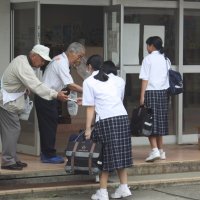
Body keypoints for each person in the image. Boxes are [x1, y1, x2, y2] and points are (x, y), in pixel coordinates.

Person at [0, 44, 68, 170]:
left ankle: (12, 158)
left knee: (13, 131)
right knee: (12, 131)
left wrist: (24, 88)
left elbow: (18, 81)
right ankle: (8, 161)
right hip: (7, 102)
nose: (42, 63)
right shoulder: (24, 66)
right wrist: (55, 94)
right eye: (41, 59)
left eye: (44, 61)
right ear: (33, 55)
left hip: (8, 101)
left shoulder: (21, 59)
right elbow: (36, 85)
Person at [82, 58, 133, 200]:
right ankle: (124, 187)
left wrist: (87, 128)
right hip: (122, 118)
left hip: (106, 120)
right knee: (121, 154)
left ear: (89, 67)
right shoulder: (113, 80)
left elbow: (90, 108)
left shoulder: (88, 82)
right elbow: (116, 98)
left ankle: (103, 192)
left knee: (104, 157)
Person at [34, 42, 84, 164]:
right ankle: (48, 155)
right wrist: (89, 91)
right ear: (72, 52)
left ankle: (47, 153)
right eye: (79, 56)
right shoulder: (61, 62)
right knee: (48, 127)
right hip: (45, 97)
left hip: (50, 96)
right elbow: (70, 85)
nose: (80, 59)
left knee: (50, 126)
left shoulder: (61, 60)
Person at [139, 36, 169, 162]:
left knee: (149, 122)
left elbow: (145, 79)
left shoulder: (148, 59)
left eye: (147, 45)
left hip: (151, 92)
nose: (147, 48)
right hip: (163, 93)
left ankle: (154, 150)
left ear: (152, 46)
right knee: (159, 122)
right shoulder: (166, 59)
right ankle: (161, 151)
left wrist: (142, 96)